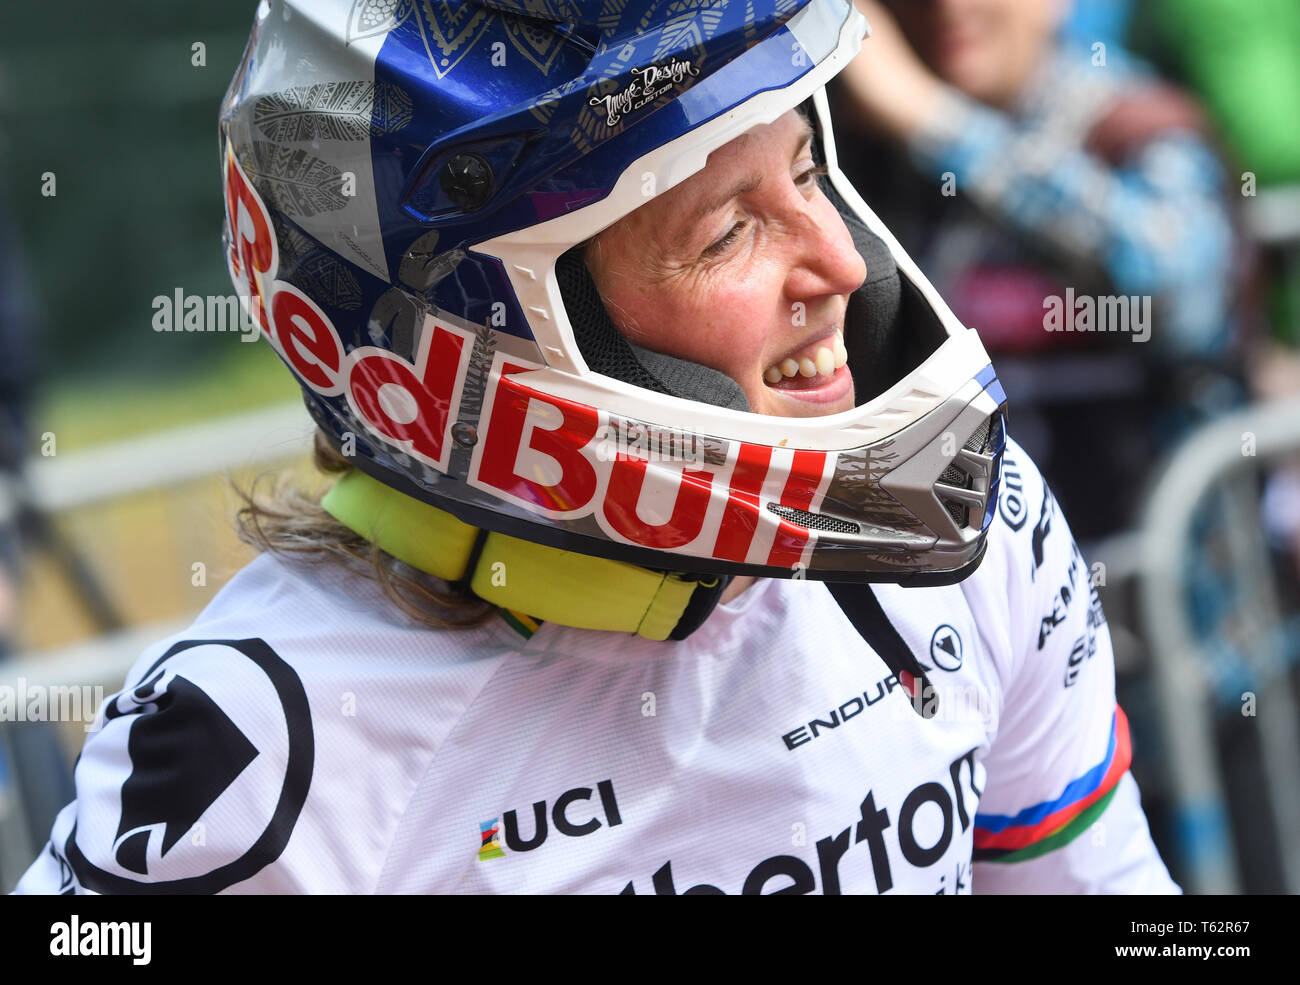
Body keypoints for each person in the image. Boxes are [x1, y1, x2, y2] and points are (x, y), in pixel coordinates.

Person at [13, 0, 1176, 894]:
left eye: (812, 171)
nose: (838, 268)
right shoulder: (266, 746)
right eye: (725, 232)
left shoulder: (972, 531)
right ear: (479, 340)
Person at [830, 0, 1245, 542]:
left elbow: (1181, 296)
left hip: (1148, 587)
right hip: (973, 574)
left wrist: (935, 122)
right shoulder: (871, 151)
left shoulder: (1135, 126)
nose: (946, 9)